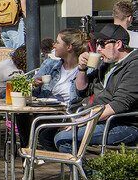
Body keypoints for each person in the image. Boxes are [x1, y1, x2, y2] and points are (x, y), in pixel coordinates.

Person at [45, 24, 138, 153]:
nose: (98, 49)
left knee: (64, 139)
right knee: (46, 134)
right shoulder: (106, 64)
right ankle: (86, 171)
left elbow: (119, 104)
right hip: (99, 120)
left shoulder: (134, 65)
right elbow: (82, 90)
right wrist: (82, 68)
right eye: (97, 43)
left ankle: (90, 173)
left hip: (124, 124)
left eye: (102, 44)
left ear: (118, 44)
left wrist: (83, 120)